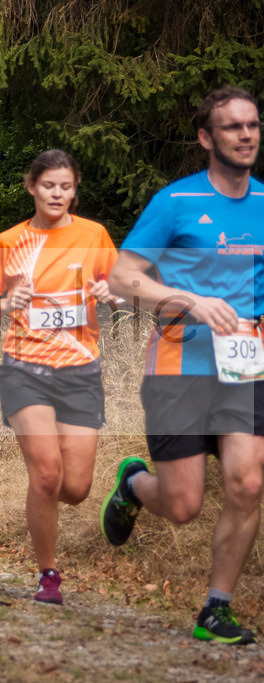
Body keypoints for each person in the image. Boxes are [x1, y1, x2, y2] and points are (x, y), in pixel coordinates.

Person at [100, 86, 264, 644]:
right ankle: (133, 485)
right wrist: (189, 300)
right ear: (205, 137)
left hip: (244, 368)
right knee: (184, 504)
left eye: (253, 125)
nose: (246, 135)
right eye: (232, 127)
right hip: (178, 365)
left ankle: (216, 609)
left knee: (247, 482)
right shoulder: (173, 203)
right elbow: (124, 277)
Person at [0, 149, 118, 605]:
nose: (58, 193)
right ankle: (48, 574)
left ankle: (127, 486)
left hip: (80, 370)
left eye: (66, 186)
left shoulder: (94, 235)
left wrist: (110, 293)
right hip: (24, 369)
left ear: (75, 191)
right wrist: (2, 306)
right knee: (47, 474)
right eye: (49, 185)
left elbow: (122, 287)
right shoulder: (9, 241)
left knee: (76, 489)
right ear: (31, 186)